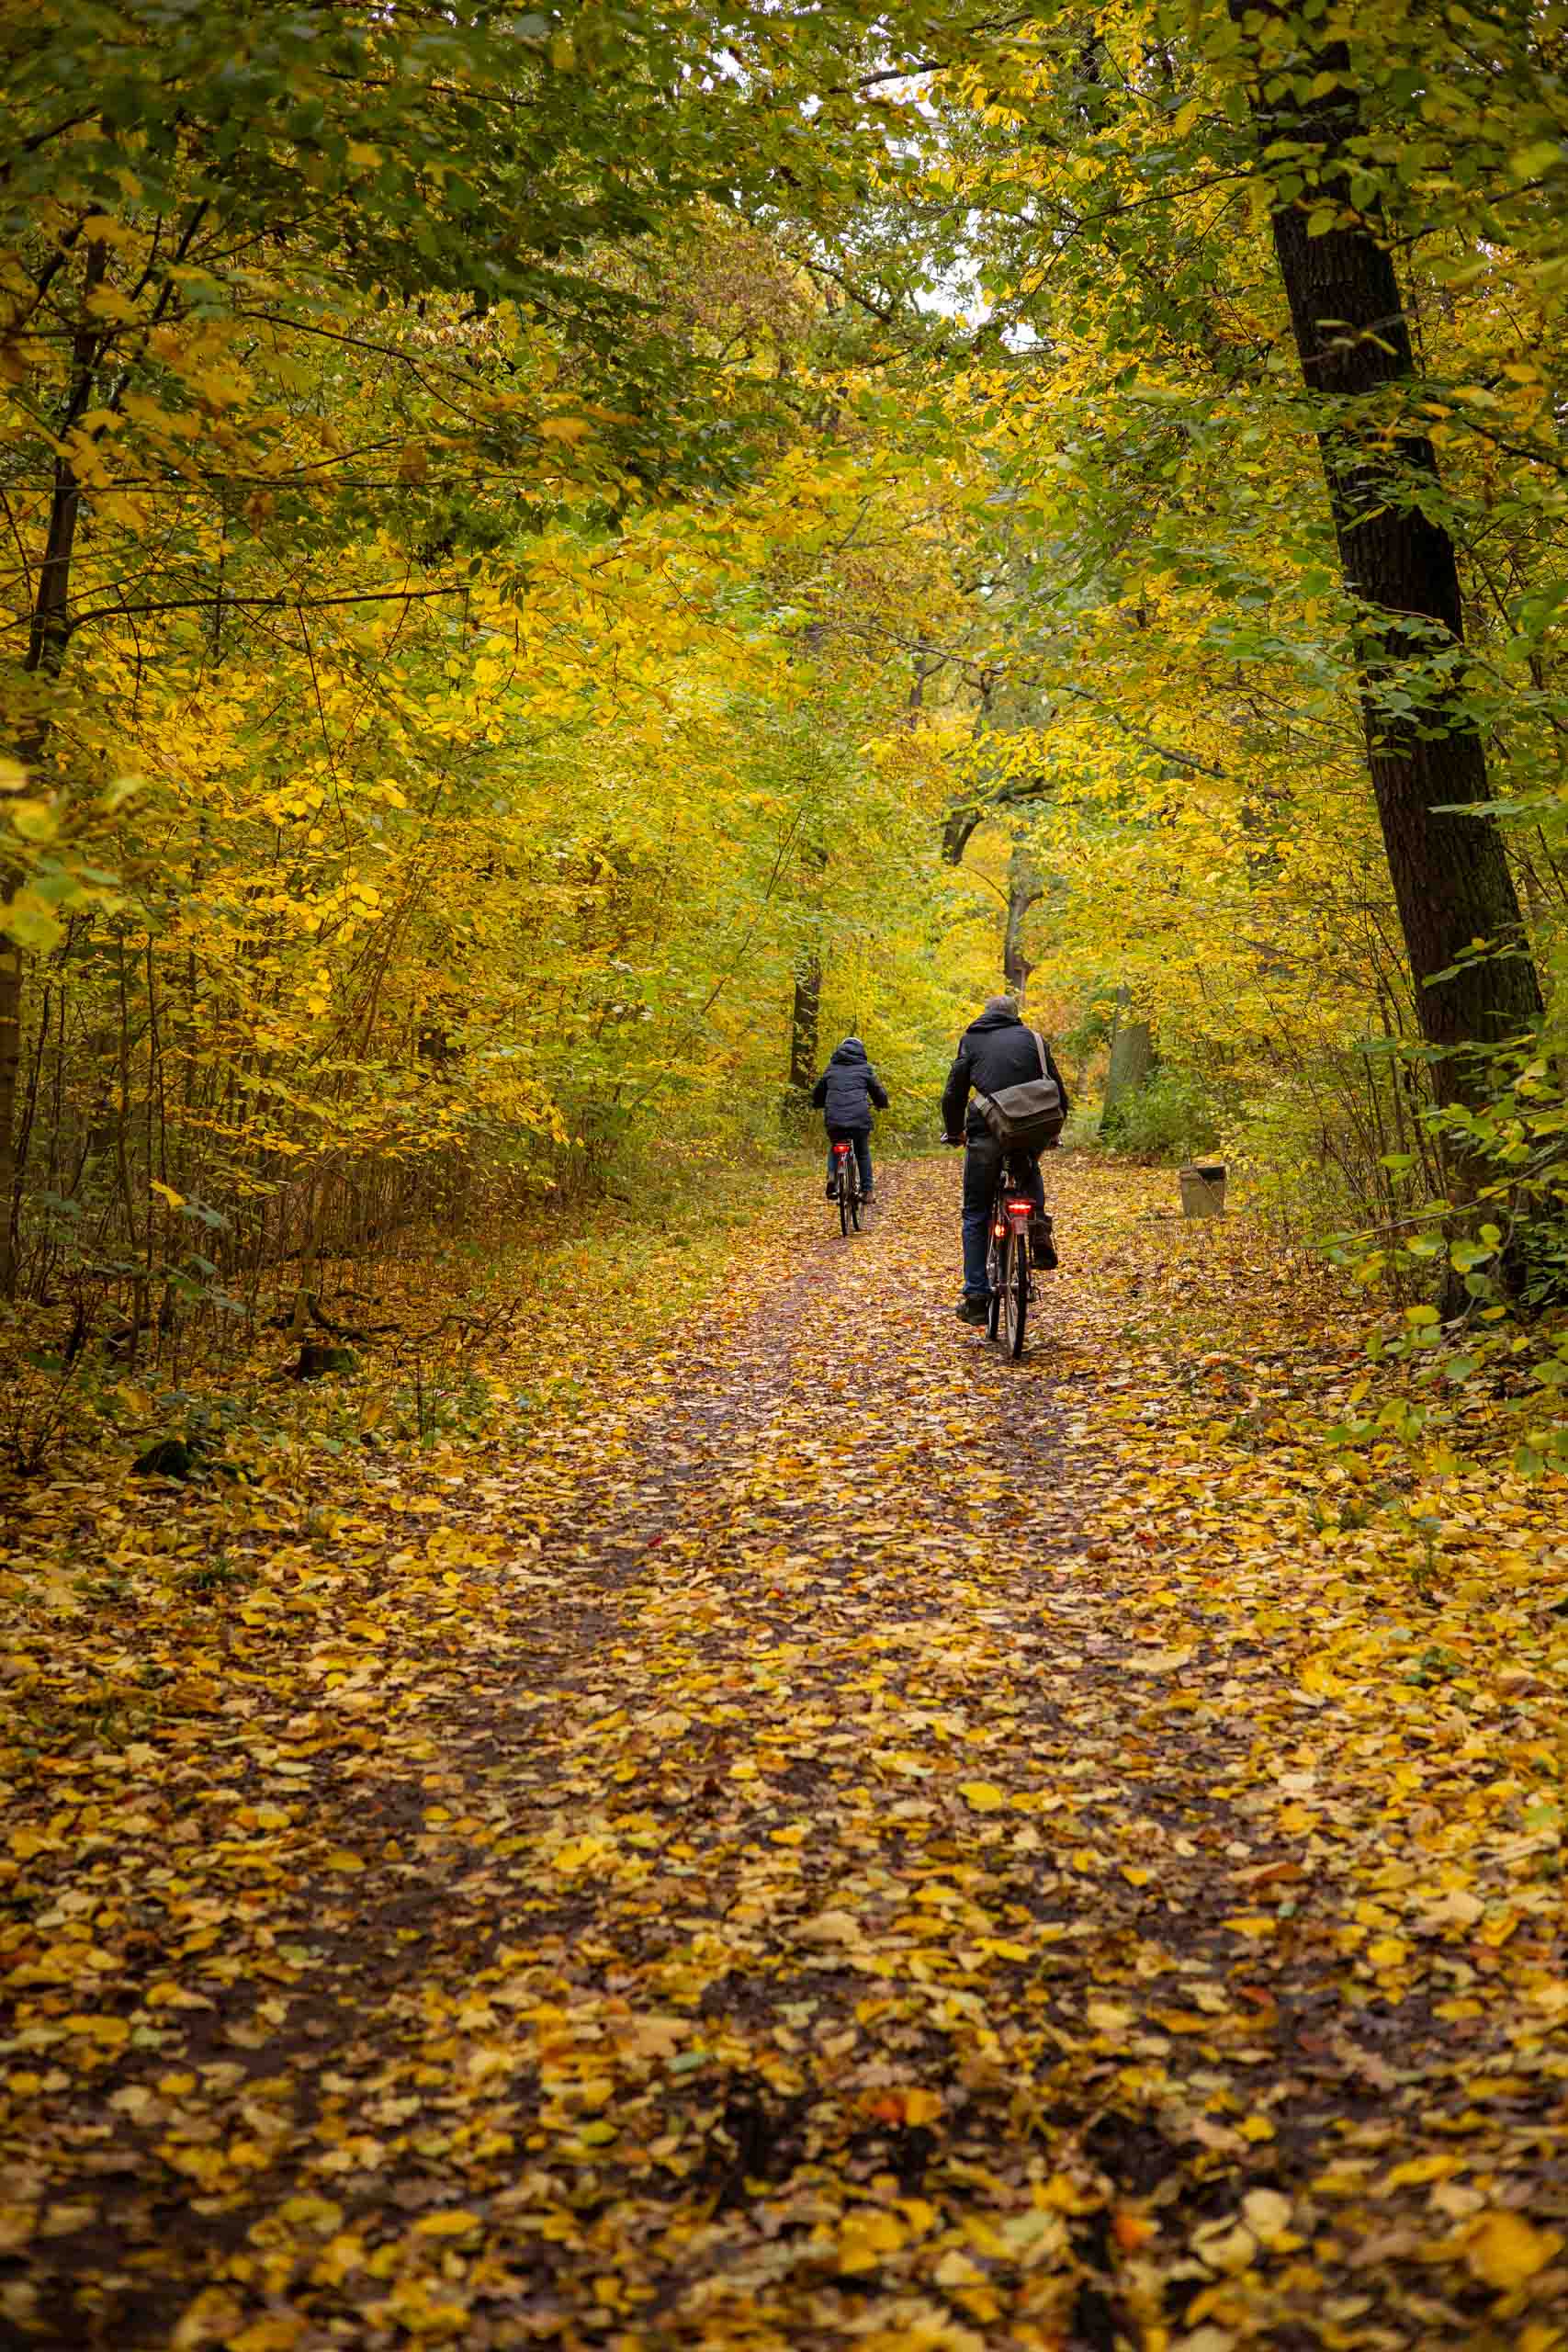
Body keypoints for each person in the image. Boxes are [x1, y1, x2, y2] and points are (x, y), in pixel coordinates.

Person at [941, 994, 1068, 1323]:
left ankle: (976, 1296)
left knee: (976, 1211)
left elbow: (955, 1092)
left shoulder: (972, 1040)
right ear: (1015, 1015)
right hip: (1031, 1127)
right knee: (1028, 1165)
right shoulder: (1035, 1040)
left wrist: (954, 1131)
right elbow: (1058, 1089)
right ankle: (1038, 1228)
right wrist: (1053, 1130)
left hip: (987, 1131)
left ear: (986, 1015)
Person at [812, 1035, 889, 1202]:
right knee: (862, 1152)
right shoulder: (864, 1068)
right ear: (861, 1051)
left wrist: (818, 1103)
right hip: (859, 1118)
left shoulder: (831, 1068)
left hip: (835, 1118)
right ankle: (867, 1191)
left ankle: (832, 1177)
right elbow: (877, 1090)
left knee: (835, 1146)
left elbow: (818, 1091)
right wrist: (882, 1103)